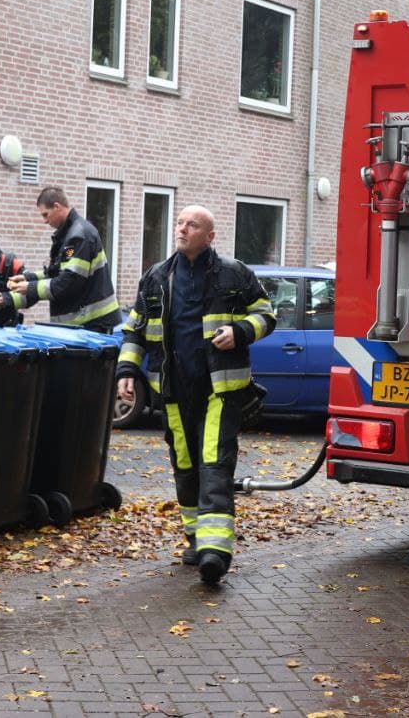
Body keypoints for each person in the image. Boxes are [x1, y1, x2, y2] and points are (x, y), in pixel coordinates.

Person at [115, 205, 275, 585]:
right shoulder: (156, 277)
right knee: (184, 466)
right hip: (173, 391)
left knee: (214, 464)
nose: (183, 229)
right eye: (181, 223)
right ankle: (194, 540)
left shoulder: (233, 273)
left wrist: (241, 331)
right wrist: (126, 372)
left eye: (193, 225)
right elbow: (134, 330)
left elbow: (267, 313)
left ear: (210, 236)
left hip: (220, 389)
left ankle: (215, 551)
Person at [6, 187, 120, 333]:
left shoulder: (78, 236)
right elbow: (58, 273)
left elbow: (69, 282)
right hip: (83, 326)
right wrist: (28, 277)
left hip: (93, 325)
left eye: (45, 215)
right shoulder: (69, 234)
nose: (45, 221)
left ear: (57, 206)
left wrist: (30, 287)